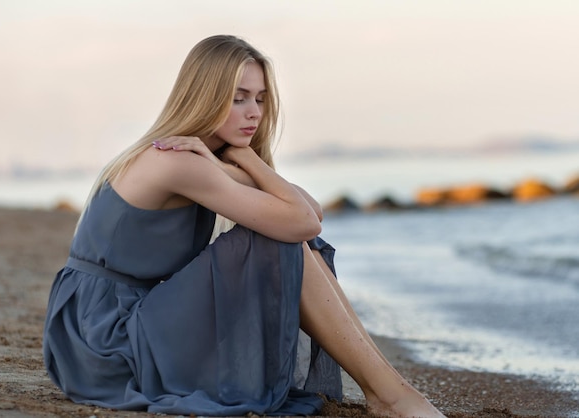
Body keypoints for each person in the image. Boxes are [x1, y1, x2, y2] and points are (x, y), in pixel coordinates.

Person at [43, 34, 445, 417]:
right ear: (204, 97)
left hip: (114, 323)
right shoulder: (174, 160)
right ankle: (390, 396)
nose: (254, 111)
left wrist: (242, 160)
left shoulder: (202, 160)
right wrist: (244, 162)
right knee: (278, 240)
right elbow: (301, 222)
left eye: (260, 99)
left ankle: (390, 391)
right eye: (238, 99)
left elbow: (311, 210)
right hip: (105, 343)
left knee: (289, 237)